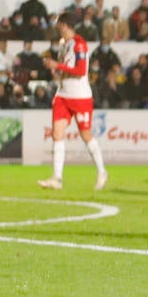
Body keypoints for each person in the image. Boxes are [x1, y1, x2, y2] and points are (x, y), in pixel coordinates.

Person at [37, 12, 109, 190]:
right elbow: (65, 69)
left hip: (80, 97)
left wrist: (57, 65)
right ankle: (57, 178)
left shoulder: (80, 44)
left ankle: (102, 171)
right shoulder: (63, 44)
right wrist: (55, 69)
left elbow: (80, 70)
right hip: (63, 95)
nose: (56, 27)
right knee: (57, 134)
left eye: (58, 23)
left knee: (86, 135)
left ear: (64, 25)